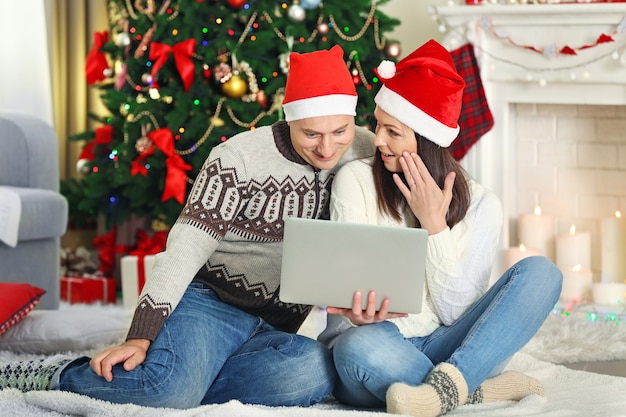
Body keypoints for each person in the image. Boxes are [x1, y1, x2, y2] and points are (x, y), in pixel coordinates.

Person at [0, 45, 376, 409]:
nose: (328, 148)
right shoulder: (238, 159)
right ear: (289, 118)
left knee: (313, 373)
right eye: (311, 134)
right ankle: (60, 374)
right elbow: (184, 248)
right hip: (210, 303)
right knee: (166, 391)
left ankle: (185, 377)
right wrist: (141, 335)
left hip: (276, 327)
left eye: (340, 132)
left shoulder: (366, 149)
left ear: (352, 121)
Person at [317, 39, 563, 417]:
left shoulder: (483, 205)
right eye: (378, 126)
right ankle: (474, 389)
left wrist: (435, 226)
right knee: (354, 349)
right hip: (380, 343)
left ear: (428, 141)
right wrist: (355, 315)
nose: (377, 140)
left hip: (451, 343)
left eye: (393, 132)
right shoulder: (356, 180)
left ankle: (441, 391)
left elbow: (457, 313)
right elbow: (345, 292)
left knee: (542, 273)